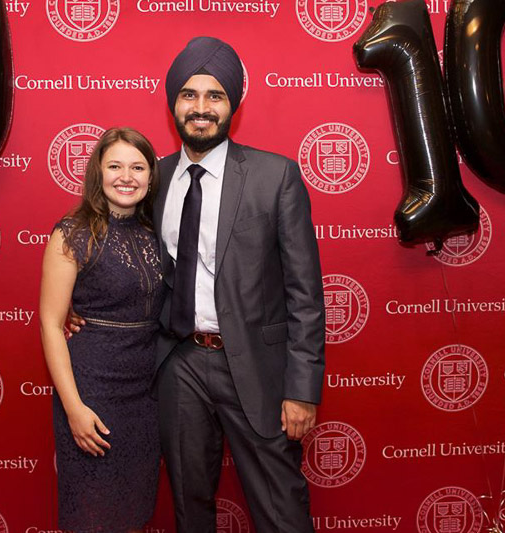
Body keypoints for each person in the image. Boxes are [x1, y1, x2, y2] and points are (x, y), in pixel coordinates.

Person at [154, 36, 325, 532]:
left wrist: (302, 389)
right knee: (190, 507)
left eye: (215, 96)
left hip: (258, 366)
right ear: (173, 103)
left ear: (233, 104)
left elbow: (305, 294)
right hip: (178, 363)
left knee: (281, 510)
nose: (201, 108)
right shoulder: (153, 179)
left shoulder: (276, 177)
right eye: (189, 94)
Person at [39, 127, 164, 533]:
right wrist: (74, 409)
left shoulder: (156, 233)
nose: (126, 176)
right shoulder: (71, 232)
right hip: (92, 392)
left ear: (150, 177)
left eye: (137, 167)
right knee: (92, 515)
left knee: (133, 513)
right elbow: (51, 324)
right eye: (115, 166)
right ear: (98, 172)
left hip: (145, 399)